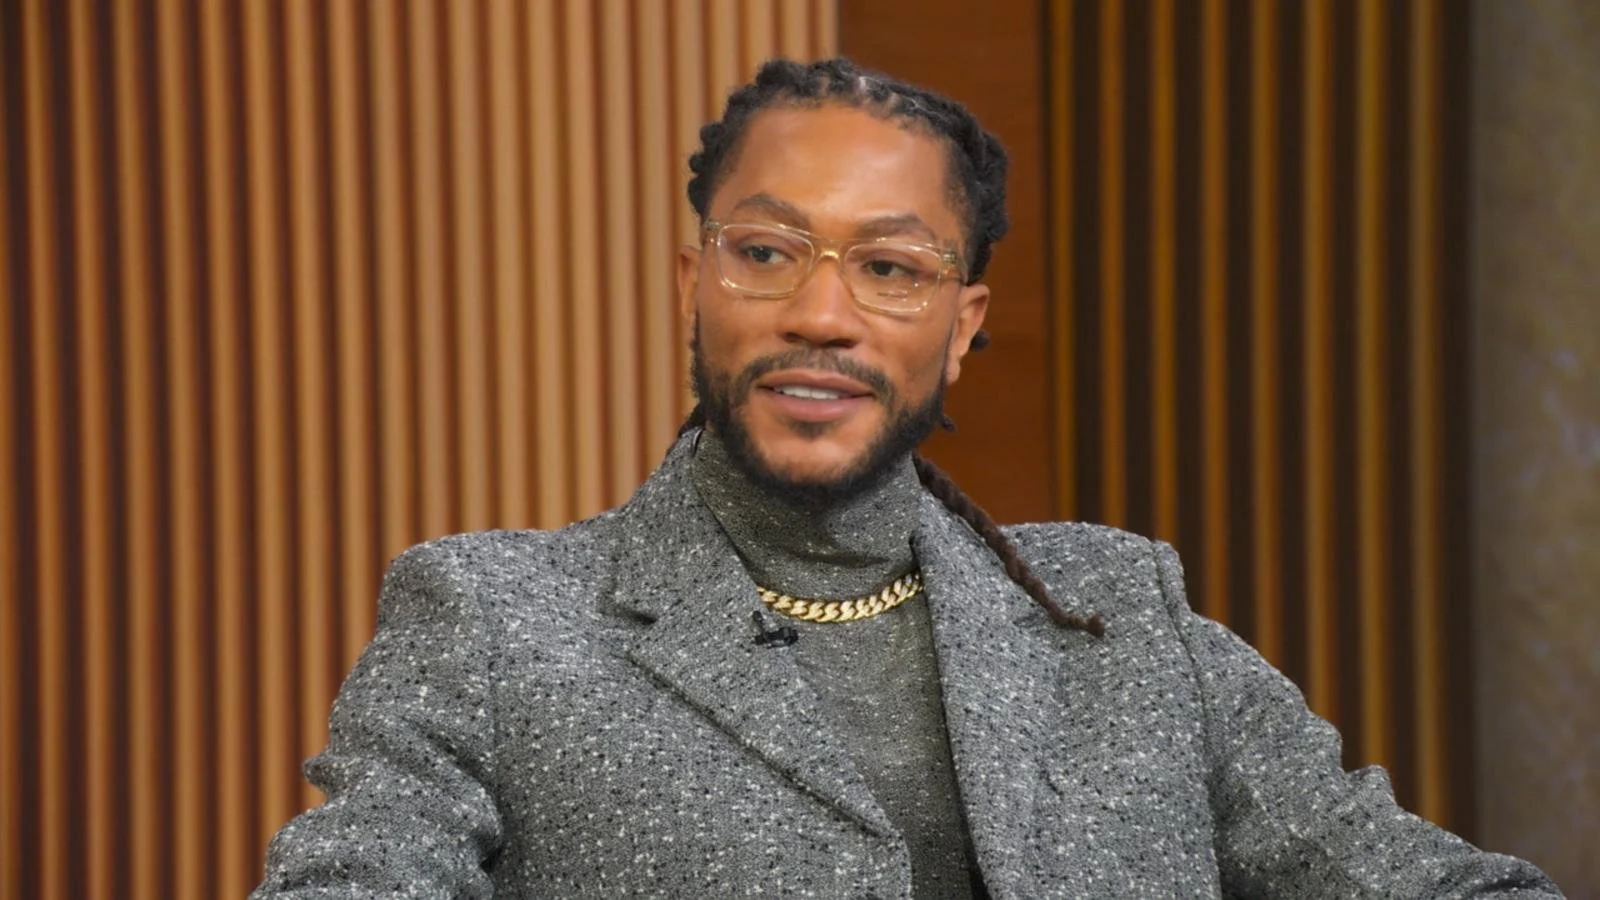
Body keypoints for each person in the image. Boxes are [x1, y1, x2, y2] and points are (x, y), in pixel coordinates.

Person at [255, 58, 1561, 898]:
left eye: (890, 268)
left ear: (965, 325)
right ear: (694, 290)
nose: (821, 314)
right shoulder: (493, 618)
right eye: (766, 252)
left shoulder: (1122, 615)